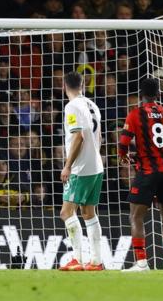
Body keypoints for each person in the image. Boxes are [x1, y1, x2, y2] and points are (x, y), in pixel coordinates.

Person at [118, 78, 163, 272]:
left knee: (136, 216)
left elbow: (123, 143)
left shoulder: (135, 114)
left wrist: (123, 157)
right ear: (158, 94)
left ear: (141, 95)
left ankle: (141, 263)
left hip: (148, 171)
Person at [59, 72, 104, 271]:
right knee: (88, 213)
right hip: (96, 165)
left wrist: (68, 165)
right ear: (83, 84)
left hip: (80, 167)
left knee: (66, 212)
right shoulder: (91, 104)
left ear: (64, 86)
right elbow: (99, 138)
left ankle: (76, 259)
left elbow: (78, 137)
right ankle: (96, 261)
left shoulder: (72, 106)